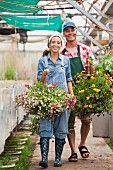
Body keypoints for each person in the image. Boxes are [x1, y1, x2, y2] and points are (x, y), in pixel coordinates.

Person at [61, 21, 95, 162]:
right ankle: (73, 151)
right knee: (70, 122)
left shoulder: (85, 49)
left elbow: (93, 69)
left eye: (72, 30)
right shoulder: (61, 52)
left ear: (76, 31)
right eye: (67, 31)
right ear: (64, 34)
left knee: (86, 120)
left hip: (84, 89)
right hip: (67, 90)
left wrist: (92, 71)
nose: (70, 33)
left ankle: (82, 144)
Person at [37, 34, 74, 168]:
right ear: (49, 44)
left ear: (61, 45)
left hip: (63, 98)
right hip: (47, 99)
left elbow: (69, 79)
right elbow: (39, 82)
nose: (56, 45)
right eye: (53, 42)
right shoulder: (42, 61)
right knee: (45, 127)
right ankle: (44, 159)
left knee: (61, 127)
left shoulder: (65, 60)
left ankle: (58, 158)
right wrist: (44, 74)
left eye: (58, 43)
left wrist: (72, 96)